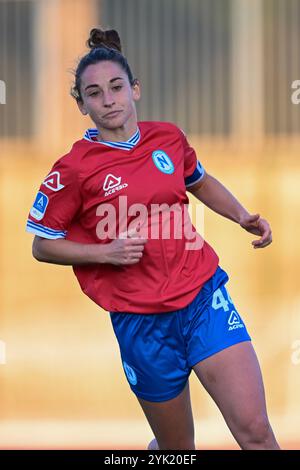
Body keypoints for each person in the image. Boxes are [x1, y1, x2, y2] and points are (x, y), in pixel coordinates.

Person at [26, 27, 280, 450]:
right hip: (141, 322)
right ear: (81, 104)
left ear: (135, 89)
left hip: (201, 299)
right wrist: (104, 252)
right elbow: (42, 244)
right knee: (178, 452)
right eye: (94, 93)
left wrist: (241, 215)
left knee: (255, 431)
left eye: (116, 87)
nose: (108, 100)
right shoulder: (73, 168)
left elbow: (198, 181)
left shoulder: (168, 137)